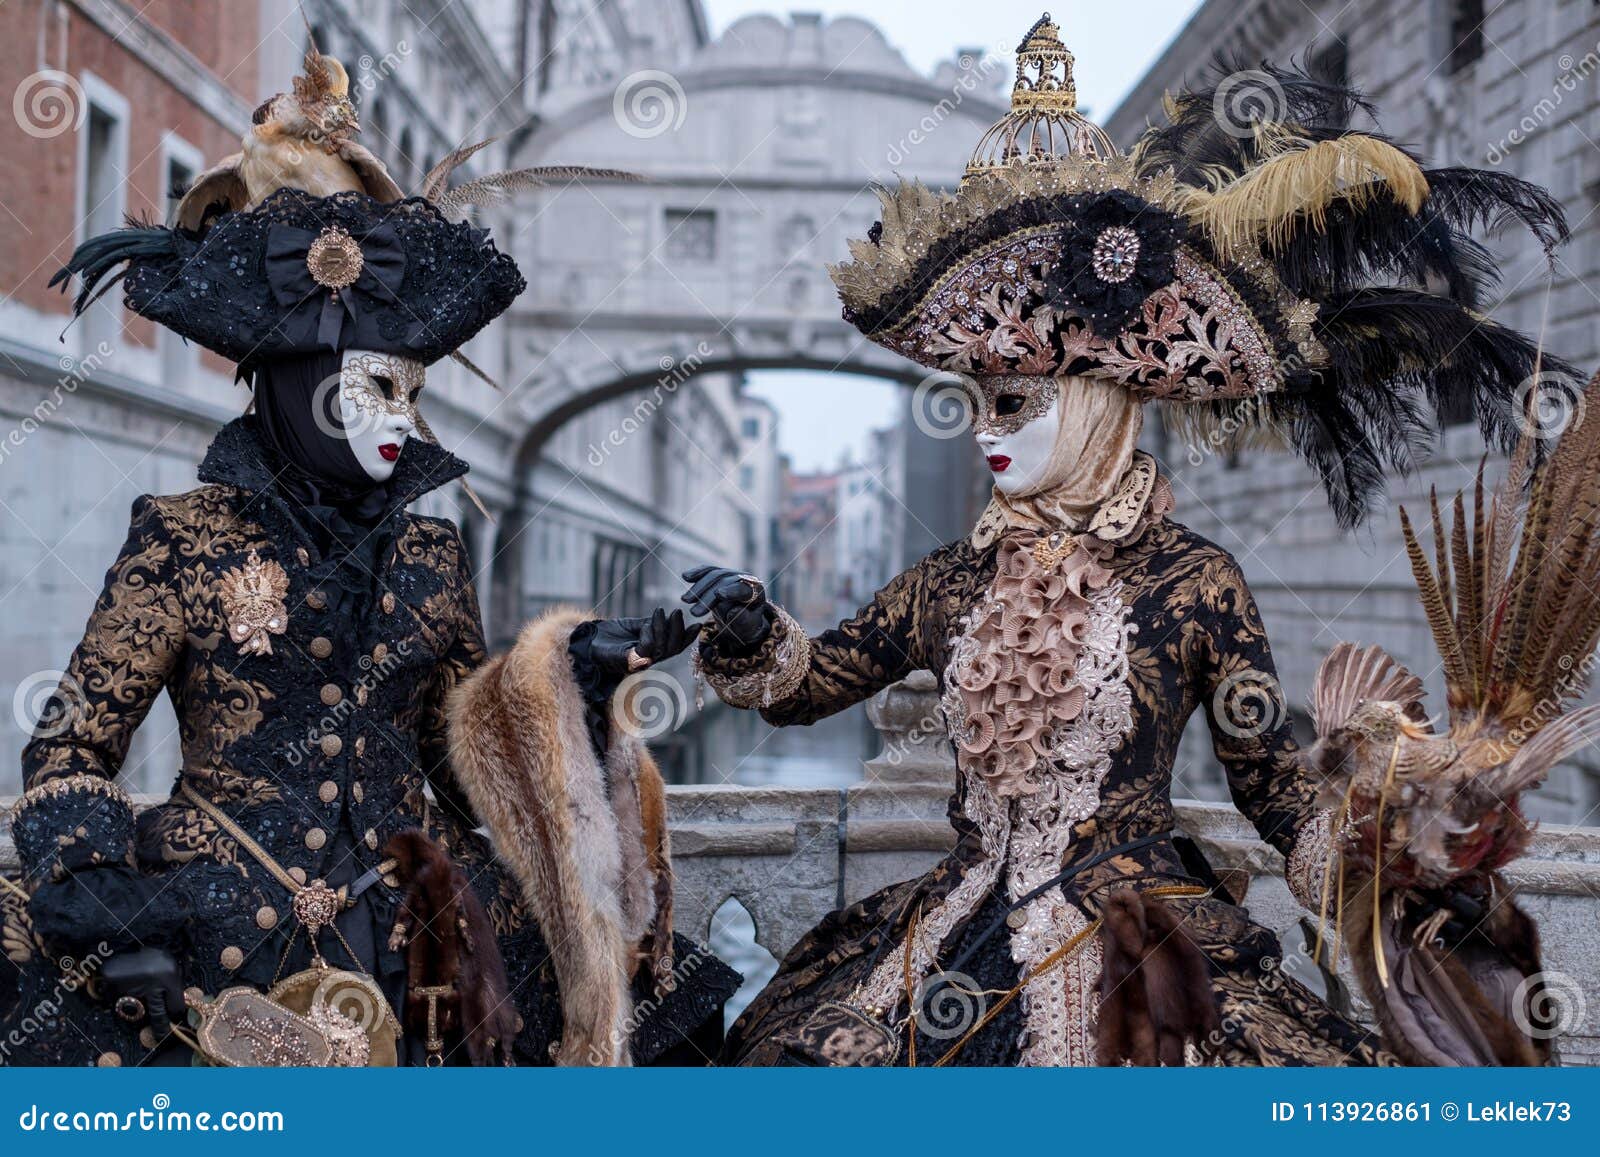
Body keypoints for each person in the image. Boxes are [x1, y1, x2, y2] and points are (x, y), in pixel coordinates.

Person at [686, 15, 1576, 1067]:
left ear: (1099, 404)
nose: (982, 428)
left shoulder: (1196, 582)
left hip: (1148, 942)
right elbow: (809, 680)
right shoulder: (952, 581)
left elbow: (1272, 781)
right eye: (974, 401)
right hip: (962, 930)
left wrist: (1399, 844)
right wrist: (750, 626)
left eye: (1013, 400)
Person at [2, 51, 736, 1068]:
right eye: (373, 389)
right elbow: (70, 748)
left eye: (410, 393)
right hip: (219, 932)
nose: (400, 421)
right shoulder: (181, 538)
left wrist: (576, 668)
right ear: (299, 385)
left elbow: (456, 746)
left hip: (420, 935)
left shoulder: (430, 551)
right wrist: (110, 913)